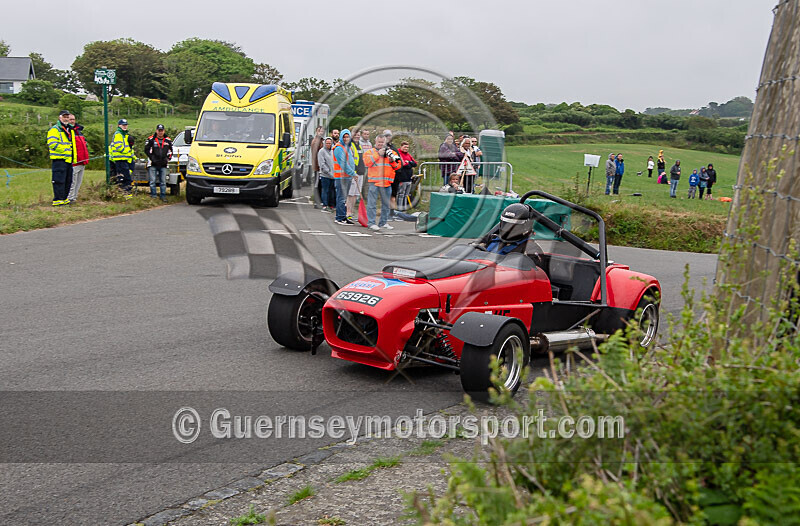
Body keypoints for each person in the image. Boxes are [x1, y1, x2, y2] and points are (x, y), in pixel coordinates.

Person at [475, 203, 544, 266]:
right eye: (505, 224)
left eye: (512, 226)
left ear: (525, 226)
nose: (507, 229)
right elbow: (472, 249)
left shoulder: (530, 248)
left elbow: (536, 273)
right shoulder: (491, 238)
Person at [363, 135, 400, 230]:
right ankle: (371, 223)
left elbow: (398, 166)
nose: (380, 144)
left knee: (386, 204)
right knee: (372, 203)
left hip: (386, 182)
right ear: (375, 142)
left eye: (382, 142)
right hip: (374, 182)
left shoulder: (391, 152)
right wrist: (378, 154)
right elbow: (367, 163)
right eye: (379, 142)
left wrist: (392, 161)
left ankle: (383, 222)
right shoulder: (370, 152)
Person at [46, 110, 75, 206]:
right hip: (59, 159)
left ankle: (64, 198)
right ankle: (58, 199)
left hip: (68, 159)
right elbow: (52, 144)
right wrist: (66, 150)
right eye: (64, 117)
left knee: (68, 180)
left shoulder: (69, 129)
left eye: (67, 117)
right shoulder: (55, 130)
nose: (66, 119)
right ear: (59, 117)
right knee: (59, 180)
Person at [332, 129, 356, 225]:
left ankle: (342, 216)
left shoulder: (348, 148)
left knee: (344, 198)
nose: (346, 138)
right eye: (344, 137)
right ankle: (340, 217)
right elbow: (343, 164)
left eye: (348, 137)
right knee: (341, 197)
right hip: (341, 177)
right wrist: (352, 173)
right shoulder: (339, 148)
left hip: (347, 177)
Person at [144, 124, 173, 202]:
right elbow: (146, 150)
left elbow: (171, 151)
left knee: (163, 181)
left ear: (164, 131)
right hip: (153, 164)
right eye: (159, 131)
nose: (160, 132)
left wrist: (167, 159)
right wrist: (152, 158)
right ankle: (153, 195)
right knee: (152, 181)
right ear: (156, 131)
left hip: (163, 164)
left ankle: (163, 196)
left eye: (162, 131)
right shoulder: (151, 139)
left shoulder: (168, 140)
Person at [66, 113, 89, 203]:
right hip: (74, 161)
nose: (72, 121)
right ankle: (69, 198)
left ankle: (74, 197)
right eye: (70, 119)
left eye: (73, 119)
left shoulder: (79, 132)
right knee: (72, 182)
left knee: (78, 182)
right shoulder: (67, 131)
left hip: (82, 160)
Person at [109, 118, 134, 198]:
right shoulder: (118, 134)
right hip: (120, 159)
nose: (125, 126)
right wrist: (128, 150)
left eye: (126, 125)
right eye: (123, 125)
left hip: (124, 159)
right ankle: (125, 194)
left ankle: (124, 193)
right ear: (119, 125)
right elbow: (119, 147)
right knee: (124, 178)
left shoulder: (124, 134)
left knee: (125, 177)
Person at [395, 141, 417, 212]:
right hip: (402, 178)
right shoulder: (398, 154)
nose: (406, 148)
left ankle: (404, 209)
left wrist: (409, 162)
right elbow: (403, 164)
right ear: (401, 146)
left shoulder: (408, 155)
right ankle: (399, 210)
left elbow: (415, 163)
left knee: (406, 195)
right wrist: (409, 163)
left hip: (409, 178)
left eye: (407, 147)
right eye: (405, 147)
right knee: (401, 194)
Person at [347, 129, 364, 221]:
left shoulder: (359, 146)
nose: (357, 136)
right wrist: (353, 172)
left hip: (360, 172)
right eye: (355, 134)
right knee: (350, 194)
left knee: (355, 195)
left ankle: (351, 212)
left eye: (358, 135)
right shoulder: (350, 145)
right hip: (354, 173)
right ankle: (348, 212)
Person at [317, 137, 334, 212]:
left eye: (330, 143)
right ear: (324, 143)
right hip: (325, 175)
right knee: (325, 190)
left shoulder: (333, 151)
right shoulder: (321, 151)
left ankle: (331, 205)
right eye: (327, 143)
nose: (328, 144)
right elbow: (322, 164)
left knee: (332, 191)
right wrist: (329, 172)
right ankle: (325, 205)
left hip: (334, 175)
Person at [310, 126, 324, 208]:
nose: (321, 132)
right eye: (320, 131)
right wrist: (319, 166)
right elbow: (317, 155)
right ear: (316, 132)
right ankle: (316, 202)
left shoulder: (321, 140)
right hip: (317, 167)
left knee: (320, 185)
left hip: (319, 167)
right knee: (317, 184)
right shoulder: (316, 141)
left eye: (322, 131)